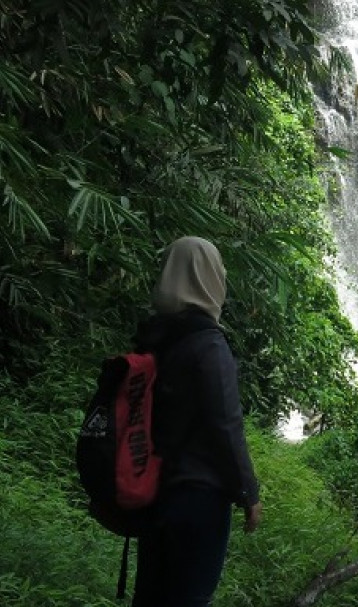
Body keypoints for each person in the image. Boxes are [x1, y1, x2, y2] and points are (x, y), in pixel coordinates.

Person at [131, 236, 262, 607]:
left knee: (152, 597)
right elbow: (226, 425)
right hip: (199, 498)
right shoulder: (208, 345)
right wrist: (248, 493)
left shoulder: (153, 338)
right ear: (209, 278)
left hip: (157, 491)